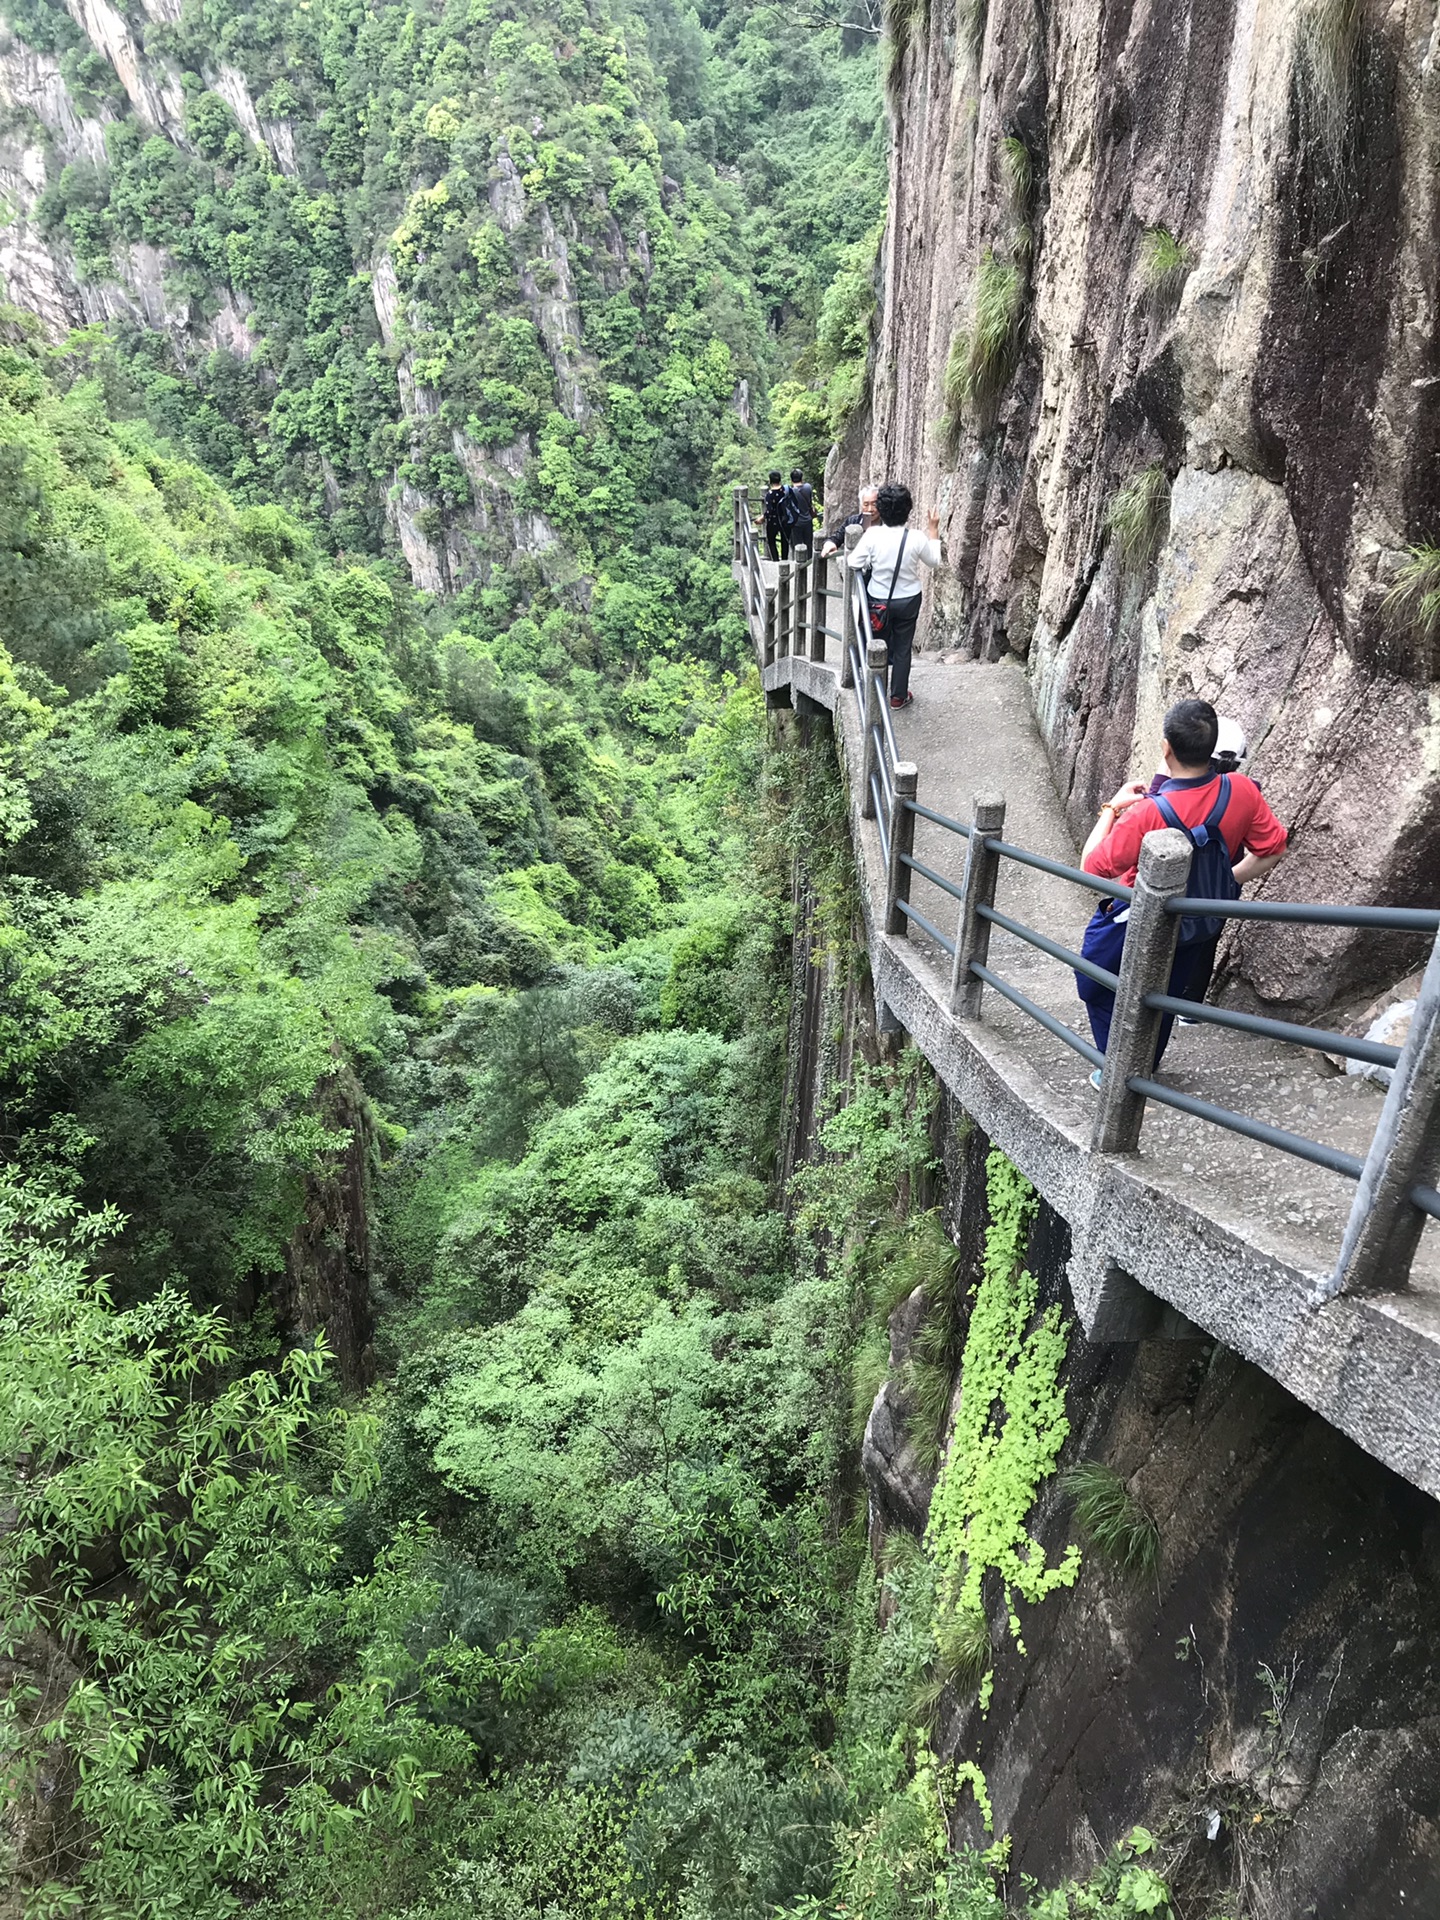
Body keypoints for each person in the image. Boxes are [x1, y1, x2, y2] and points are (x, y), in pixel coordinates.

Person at [1075, 698, 1287, 1074]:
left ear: (1166, 748)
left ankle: (1117, 1069)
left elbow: (1092, 867)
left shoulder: (1147, 813)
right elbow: (1273, 848)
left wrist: (1111, 809)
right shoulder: (1241, 791)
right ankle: (1143, 1066)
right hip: (1197, 920)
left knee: (1093, 980)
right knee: (1165, 995)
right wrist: (1224, 883)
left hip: (1135, 915)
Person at [846, 482, 942, 710]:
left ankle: (873, 692)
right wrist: (933, 530)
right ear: (907, 510)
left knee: (877, 643)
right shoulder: (917, 537)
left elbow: (853, 562)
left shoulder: (872, 536)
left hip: (878, 600)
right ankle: (897, 696)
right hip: (909, 599)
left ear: (882, 509)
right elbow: (934, 562)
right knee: (902, 648)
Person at [819, 483, 879, 557]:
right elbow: (836, 537)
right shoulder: (853, 521)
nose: (870, 509)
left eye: (874, 504)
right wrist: (830, 544)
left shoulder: (888, 523)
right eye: (866, 504)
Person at [784, 467, 816, 558]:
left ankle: (798, 564)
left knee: (797, 545)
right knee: (809, 544)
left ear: (791, 479)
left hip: (796, 523)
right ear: (802, 478)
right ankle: (810, 563)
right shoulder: (808, 487)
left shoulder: (788, 492)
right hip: (808, 520)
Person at [762, 470, 789, 562]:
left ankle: (776, 560)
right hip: (785, 519)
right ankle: (785, 560)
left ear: (770, 481)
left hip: (773, 521)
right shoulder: (785, 491)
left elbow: (769, 511)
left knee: (771, 541)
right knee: (784, 540)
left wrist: (762, 517)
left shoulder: (769, 495)